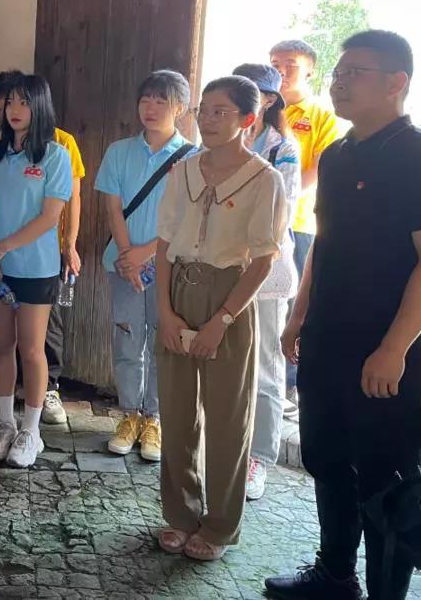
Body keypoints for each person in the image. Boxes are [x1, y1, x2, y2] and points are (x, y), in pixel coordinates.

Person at [267, 31, 421, 600]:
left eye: (356, 73)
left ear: (397, 82)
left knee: (386, 481)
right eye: (339, 72)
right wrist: (299, 315)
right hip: (327, 338)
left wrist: (394, 349)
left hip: (387, 350)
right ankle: (334, 574)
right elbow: (324, 245)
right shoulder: (336, 155)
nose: (340, 82)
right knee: (327, 460)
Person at [154, 75, 287, 562]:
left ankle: (220, 524)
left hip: (230, 296)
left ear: (248, 119)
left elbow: (263, 260)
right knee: (176, 413)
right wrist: (165, 310)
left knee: (229, 418)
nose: (207, 120)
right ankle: (181, 514)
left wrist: (222, 319)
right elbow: (164, 244)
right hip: (179, 287)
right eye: (203, 110)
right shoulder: (184, 171)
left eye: (220, 112)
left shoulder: (263, 179)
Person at [95, 69, 192, 463]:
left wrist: (146, 253)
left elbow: (189, 217)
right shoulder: (119, 151)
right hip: (122, 265)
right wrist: (127, 255)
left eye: (161, 101)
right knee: (127, 338)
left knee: (162, 342)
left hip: (170, 267)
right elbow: (112, 206)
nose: (150, 108)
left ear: (180, 108)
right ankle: (129, 415)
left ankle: (155, 418)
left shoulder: (193, 158)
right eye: (145, 100)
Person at [0, 70, 85, 425]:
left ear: (40, 106)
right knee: (1, 346)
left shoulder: (55, 155)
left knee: (32, 349)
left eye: (24, 102)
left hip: (37, 268)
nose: (14, 110)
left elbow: (50, 217)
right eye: (10, 102)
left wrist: (0, 248)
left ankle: (30, 430)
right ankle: (5, 424)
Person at [232, 64, 300, 501]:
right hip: (224, 268)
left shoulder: (282, 149)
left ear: (270, 100)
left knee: (266, 368)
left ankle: (258, 457)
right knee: (228, 363)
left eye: (253, 93)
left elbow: (282, 211)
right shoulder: (220, 144)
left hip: (266, 271)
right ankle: (228, 449)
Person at [270, 40, 344, 415]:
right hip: (256, 225)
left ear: (311, 70)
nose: (282, 71)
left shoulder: (321, 115)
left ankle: (288, 385)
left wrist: (284, 199)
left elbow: (319, 168)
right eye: (275, 64)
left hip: (298, 223)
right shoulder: (264, 107)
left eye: (291, 64)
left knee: (295, 304)